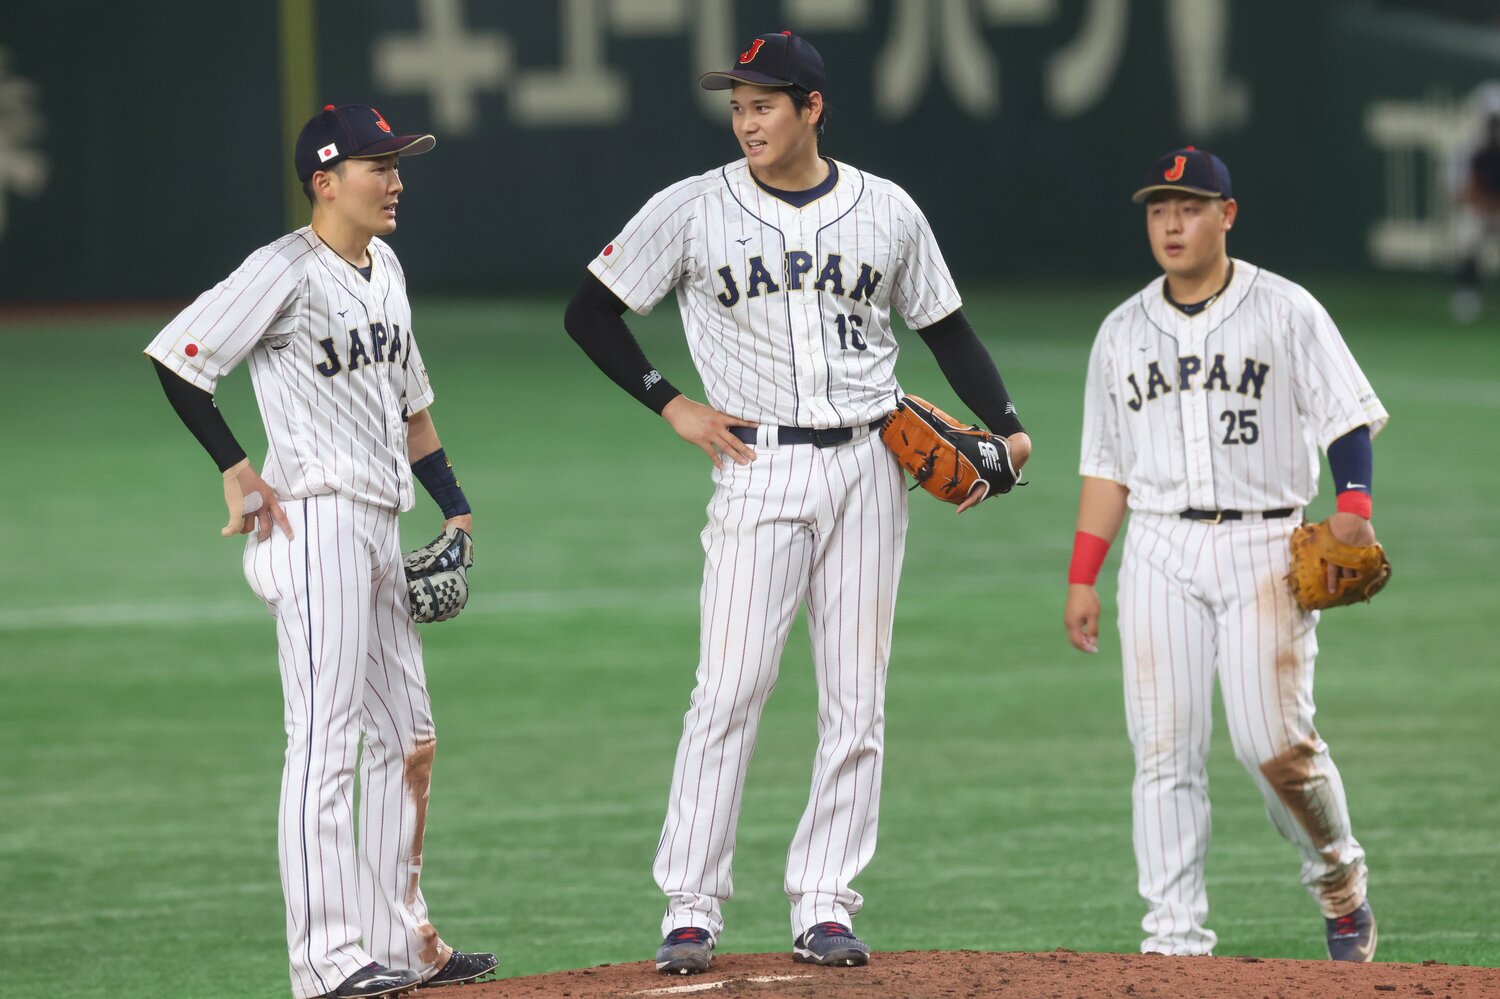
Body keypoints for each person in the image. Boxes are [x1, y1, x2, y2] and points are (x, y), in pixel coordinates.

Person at [563, 30, 1031, 976]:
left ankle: (825, 901)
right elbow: (591, 310)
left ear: (812, 108)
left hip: (871, 466)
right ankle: (690, 904)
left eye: (764, 104)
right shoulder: (694, 208)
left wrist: (1008, 422)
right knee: (728, 689)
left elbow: (947, 329)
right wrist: (672, 401)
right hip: (757, 467)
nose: (747, 121)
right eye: (737, 105)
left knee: (856, 700)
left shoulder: (887, 210)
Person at [145, 104, 497, 999]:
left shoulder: (387, 268)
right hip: (316, 528)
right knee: (325, 745)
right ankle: (325, 962)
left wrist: (455, 507)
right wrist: (235, 467)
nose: (396, 181)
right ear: (325, 180)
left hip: (380, 524)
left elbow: (413, 406)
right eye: (379, 165)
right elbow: (180, 358)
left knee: (409, 739)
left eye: (398, 163)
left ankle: (402, 938)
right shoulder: (282, 271)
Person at [1063, 147, 1387, 961]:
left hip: (1265, 544)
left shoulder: (1285, 309)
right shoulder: (1121, 330)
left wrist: (1353, 507)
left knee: (1272, 745)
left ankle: (1339, 876)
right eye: (1159, 209)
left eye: (1191, 207)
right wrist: (1082, 576)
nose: (1172, 223)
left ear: (1226, 216)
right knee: (1163, 750)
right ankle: (1174, 943)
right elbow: (1106, 467)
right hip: (1159, 546)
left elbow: (1345, 415)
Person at [1450, 106, 1500, 323]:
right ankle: (1467, 294)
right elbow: (1470, 190)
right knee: (1467, 231)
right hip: (1482, 210)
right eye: (1492, 128)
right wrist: (1486, 205)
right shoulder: (1479, 154)